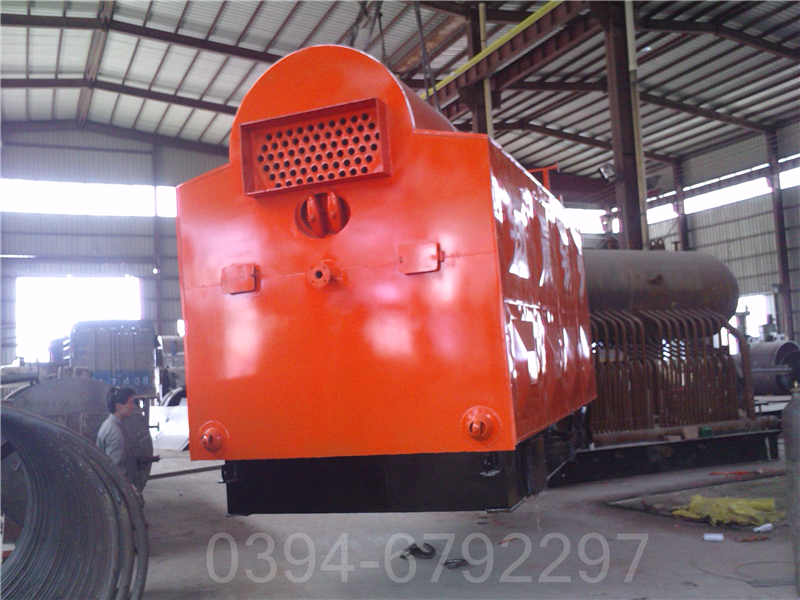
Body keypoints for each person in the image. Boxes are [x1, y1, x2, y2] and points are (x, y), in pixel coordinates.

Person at [97, 386, 139, 486]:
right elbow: (115, 470)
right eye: (130, 403)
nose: (133, 406)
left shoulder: (108, 424)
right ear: (119, 406)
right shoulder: (115, 433)